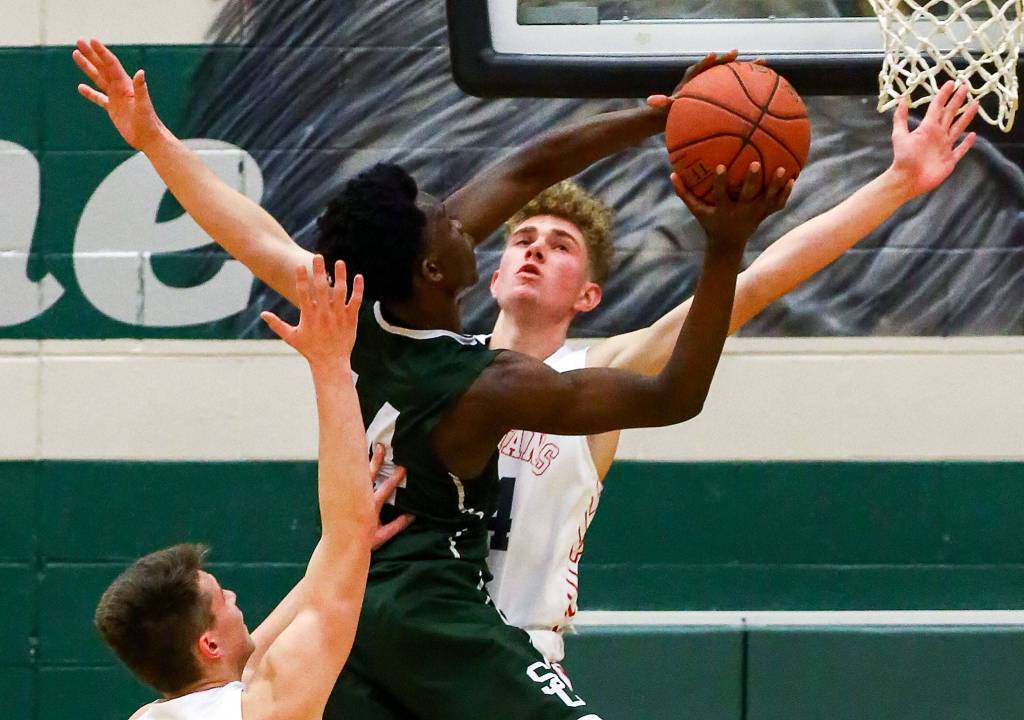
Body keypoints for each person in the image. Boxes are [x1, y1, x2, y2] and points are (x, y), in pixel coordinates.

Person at [75, 38, 788, 719]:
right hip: (429, 605)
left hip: (352, 610)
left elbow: (521, 171)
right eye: (436, 221)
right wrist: (724, 246)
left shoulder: (358, 310)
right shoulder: (487, 384)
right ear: (434, 270)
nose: (454, 215)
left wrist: (655, 117)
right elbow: (672, 397)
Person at [483, 82, 980, 665]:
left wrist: (897, 183)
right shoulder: (435, 366)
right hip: (415, 638)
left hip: (519, 654)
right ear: (494, 278)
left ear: (589, 295)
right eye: (522, 240)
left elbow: (760, 282)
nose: (536, 250)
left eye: (560, 245)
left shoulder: (598, 374)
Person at [93, 257, 407, 720]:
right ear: (209, 643)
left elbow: (255, 656)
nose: (236, 599)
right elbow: (327, 597)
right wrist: (331, 364)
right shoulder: (270, 706)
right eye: (224, 600)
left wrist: (348, 545)